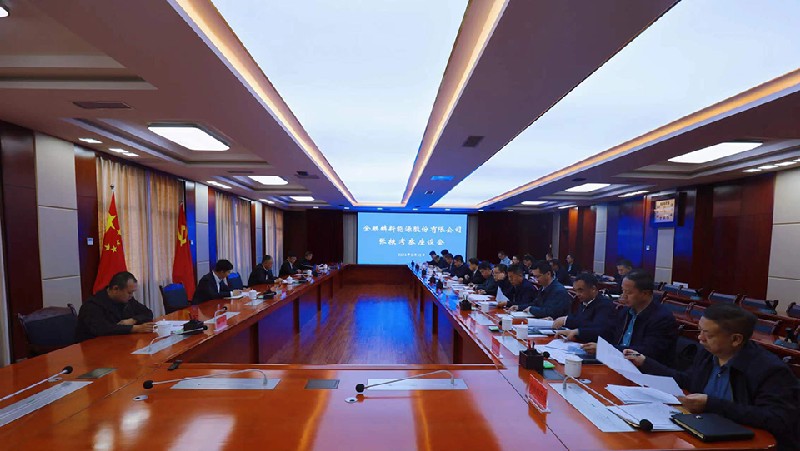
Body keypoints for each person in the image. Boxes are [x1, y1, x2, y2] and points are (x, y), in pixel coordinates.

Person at [626, 304, 799, 449]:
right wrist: (646, 362)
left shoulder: (769, 370)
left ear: (736, 339)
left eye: (708, 334)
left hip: (748, 443)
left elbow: (777, 419)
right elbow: (688, 381)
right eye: (700, 330)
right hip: (706, 432)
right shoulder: (708, 354)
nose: (699, 338)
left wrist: (711, 404)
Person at [581, 270, 677, 365]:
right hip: (617, 362)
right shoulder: (625, 311)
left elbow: (647, 352)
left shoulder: (662, 318)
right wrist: (580, 333)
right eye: (623, 291)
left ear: (645, 294)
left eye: (628, 292)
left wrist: (606, 349)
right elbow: (608, 331)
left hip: (642, 370)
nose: (623, 296)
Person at [75, 271, 154, 342]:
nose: (131, 296)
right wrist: (135, 328)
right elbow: (103, 329)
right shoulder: (92, 305)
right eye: (129, 292)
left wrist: (133, 320)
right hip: (94, 347)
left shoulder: (128, 300)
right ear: (115, 289)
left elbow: (148, 313)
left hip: (119, 343)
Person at [553, 273, 615, 343]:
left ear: (593, 289)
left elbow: (598, 330)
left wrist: (568, 323)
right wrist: (555, 320)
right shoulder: (584, 301)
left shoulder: (605, 305)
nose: (577, 294)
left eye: (580, 290)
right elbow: (578, 320)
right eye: (575, 291)